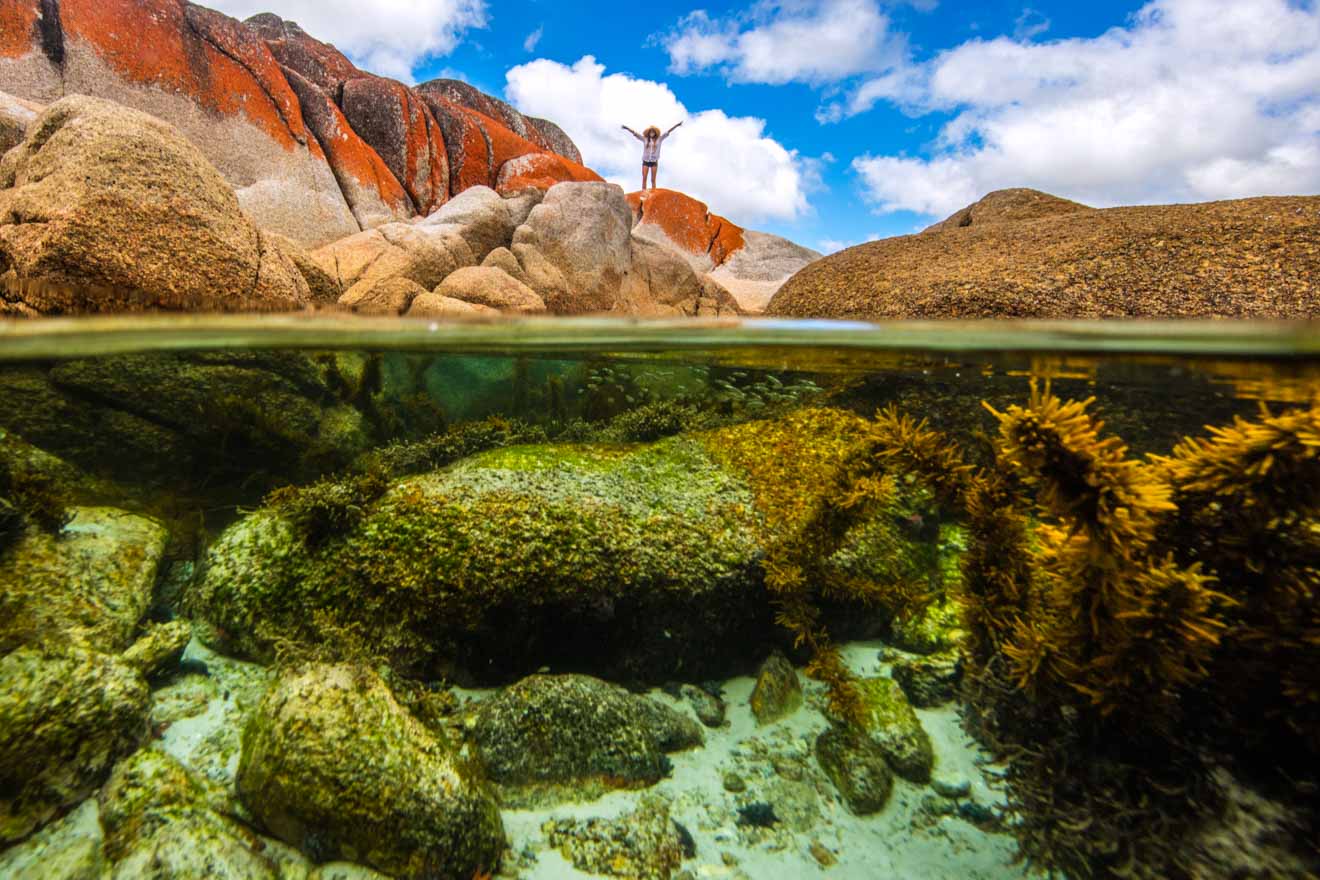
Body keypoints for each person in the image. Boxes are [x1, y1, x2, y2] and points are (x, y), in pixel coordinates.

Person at [622, 122, 682, 191]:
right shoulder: (644, 139)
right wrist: (627, 128)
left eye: (653, 132)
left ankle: (654, 194)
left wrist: (677, 125)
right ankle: (643, 194)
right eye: (650, 132)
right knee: (644, 178)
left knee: (653, 180)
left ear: (655, 133)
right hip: (645, 161)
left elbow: (668, 131)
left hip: (654, 162)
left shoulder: (659, 139)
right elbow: (635, 133)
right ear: (648, 133)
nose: (652, 133)